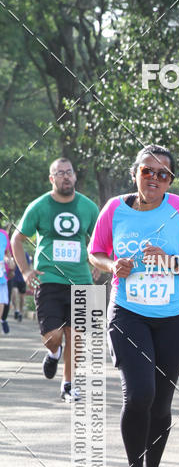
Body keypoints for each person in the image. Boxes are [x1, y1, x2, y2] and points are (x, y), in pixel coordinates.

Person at [89, 144, 179, 467]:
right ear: (135, 174)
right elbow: (95, 252)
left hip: (175, 317)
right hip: (128, 314)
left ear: (170, 180)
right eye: (147, 172)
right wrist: (113, 265)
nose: (154, 179)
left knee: (161, 404)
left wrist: (169, 260)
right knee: (139, 394)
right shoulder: (114, 209)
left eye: (163, 174)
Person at [11, 158, 99, 401]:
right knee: (53, 336)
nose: (65, 177)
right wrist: (27, 271)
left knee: (77, 336)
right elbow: (17, 239)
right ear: (52, 179)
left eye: (69, 172)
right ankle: (53, 352)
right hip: (49, 279)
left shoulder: (88, 207)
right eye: (59, 173)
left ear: (75, 176)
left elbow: (102, 238)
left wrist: (99, 263)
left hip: (81, 280)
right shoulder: (39, 206)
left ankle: (68, 385)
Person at [0, 226, 11, 333]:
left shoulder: (3, 234)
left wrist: (8, 260)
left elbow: (7, 253)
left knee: (1, 300)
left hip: (1, 273)